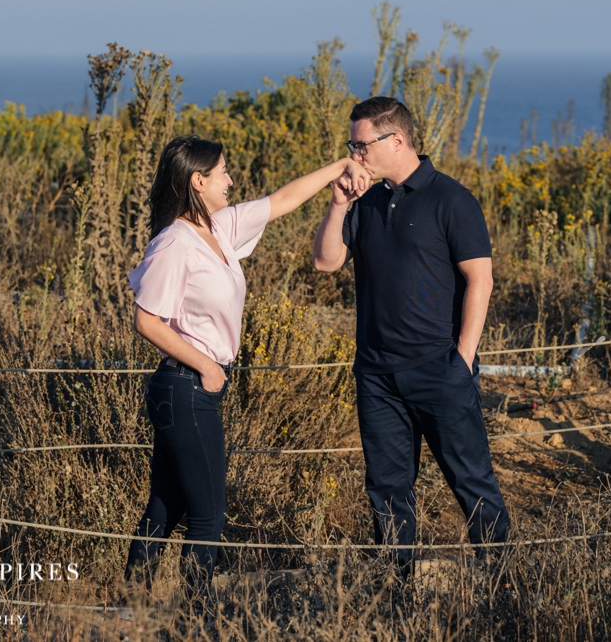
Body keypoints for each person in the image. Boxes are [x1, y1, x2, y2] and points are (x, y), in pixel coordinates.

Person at [124, 135, 369, 610]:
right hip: (185, 387)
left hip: (194, 389)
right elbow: (146, 320)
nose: (231, 180)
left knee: (165, 507)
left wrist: (341, 164)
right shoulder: (175, 242)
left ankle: (129, 610)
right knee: (208, 516)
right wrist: (207, 366)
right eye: (222, 173)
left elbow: (284, 200)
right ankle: (197, 618)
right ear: (198, 181)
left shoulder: (219, 228)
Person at [311, 96, 510, 569]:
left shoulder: (452, 199)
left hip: (439, 369)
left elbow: (480, 280)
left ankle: (505, 585)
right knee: (386, 489)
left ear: (396, 140)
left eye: (361, 146)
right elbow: (325, 262)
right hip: (378, 376)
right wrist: (340, 204)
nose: (354, 155)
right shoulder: (366, 201)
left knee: (472, 483)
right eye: (352, 146)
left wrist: (461, 359)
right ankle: (397, 590)